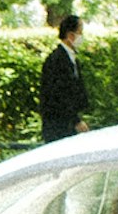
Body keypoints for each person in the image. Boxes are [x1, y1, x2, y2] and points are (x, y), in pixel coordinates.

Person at [38, 15, 89, 145]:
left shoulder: (72, 59)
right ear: (70, 35)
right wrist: (75, 120)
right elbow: (58, 95)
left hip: (68, 124)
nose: (81, 36)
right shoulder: (56, 60)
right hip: (58, 126)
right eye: (80, 32)